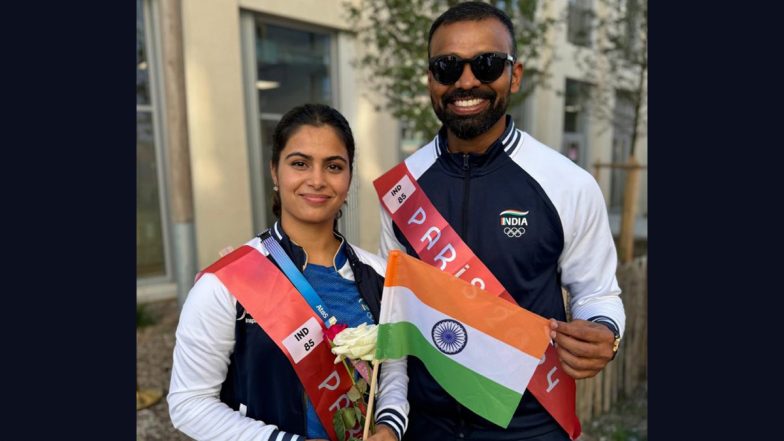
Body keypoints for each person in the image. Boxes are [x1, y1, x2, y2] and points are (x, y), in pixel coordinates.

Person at [375, 2, 625, 440]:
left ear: (515, 74)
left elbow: (598, 292)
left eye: (487, 64)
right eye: (447, 66)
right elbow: (391, 313)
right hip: (425, 426)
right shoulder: (401, 188)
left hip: (530, 425)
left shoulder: (568, 184)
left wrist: (605, 330)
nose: (467, 81)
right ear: (431, 79)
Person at [169, 103, 409, 441]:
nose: (317, 180)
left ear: (349, 177)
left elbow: (394, 371)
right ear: (274, 172)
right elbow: (189, 403)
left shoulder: (382, 276)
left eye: (334, 166)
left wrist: (388, 428)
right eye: (299, 164)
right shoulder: (225, 283)